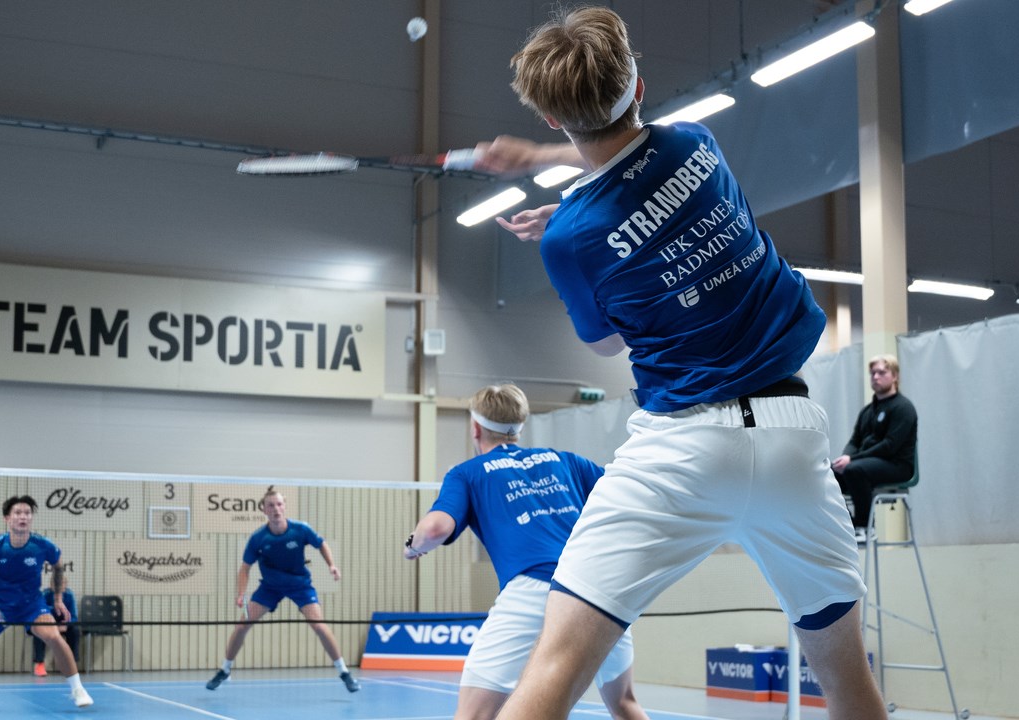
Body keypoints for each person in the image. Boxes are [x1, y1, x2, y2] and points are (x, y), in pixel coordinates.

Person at [472, 8, 887, 720]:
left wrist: (580, 231)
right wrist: (565, 189)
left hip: (683, 450)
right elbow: (628, 158)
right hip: (796, 444)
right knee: (847, 678)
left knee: (560, 662)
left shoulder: (570, 238)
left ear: (547, 116)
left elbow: (606, 343)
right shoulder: (697, 145)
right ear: (638, 84)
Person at [404, 384, 649, 720]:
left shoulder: (468, 473)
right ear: (520, 425)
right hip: (596, 589)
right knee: (623, 703)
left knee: (473, 715)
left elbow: (435, 529)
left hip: (532, 592)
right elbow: (628, 495)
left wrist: (414, 545)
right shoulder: (566, 461)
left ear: (475, 428)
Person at [0, 495, 93, 708]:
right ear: (7, 519)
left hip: (32, 605)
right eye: (18, 513)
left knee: (55, 637)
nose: (23, 517)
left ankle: (77, 689)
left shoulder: (43, 545)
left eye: (27, 513)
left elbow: (58, 568)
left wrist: (57, 599)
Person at [205, 486, 359, 693]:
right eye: (271, 505)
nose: (276, 509)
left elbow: (321, 544)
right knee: (242, 626)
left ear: (284, 507)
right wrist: (241, 593)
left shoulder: (301, 529)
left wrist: (331, 565)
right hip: (270, 587)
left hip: (300, 585)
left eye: (279, 504)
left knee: (320, 626)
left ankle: (344, 673)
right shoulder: (258, 538)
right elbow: (244, 568)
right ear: (264, 510)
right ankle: (224, 670)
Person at [832, 354, 918, 537]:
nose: (876, 377)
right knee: (830, 473)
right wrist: (844, 458)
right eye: (872, 373)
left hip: (897, 465)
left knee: (854, 469)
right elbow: (854, 441)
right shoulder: (867, 412)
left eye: (881, 372)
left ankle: (865, 527)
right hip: (867, 464)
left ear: (894, 376)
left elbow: (890, 446)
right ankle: (847, 525)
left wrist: (852, 459)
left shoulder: (903, 407)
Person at [31, 583, 80, 676]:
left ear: (65, 585)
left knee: (75, 631)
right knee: (38, 632)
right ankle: (39, 664)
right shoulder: (45, 594)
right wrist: (52, 626)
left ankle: (72, 665)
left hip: (64, 625)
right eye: (55, 585)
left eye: (61, 585)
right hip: (47, 624)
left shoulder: (70, 595)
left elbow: (74, 617)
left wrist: (65, 625)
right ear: (51, 585)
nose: (58, 588)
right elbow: (39, 613)